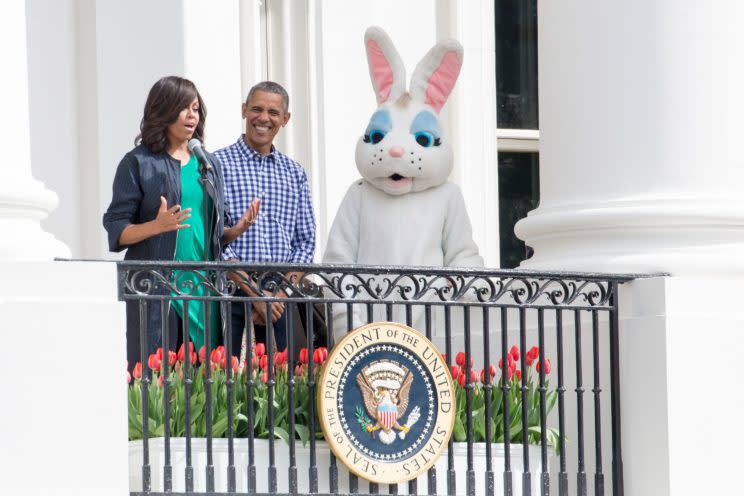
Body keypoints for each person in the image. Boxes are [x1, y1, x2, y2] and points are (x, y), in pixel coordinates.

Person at [103, 76, 257, 372]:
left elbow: (207, 233)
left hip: (205, 290)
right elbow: (115, 226)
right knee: (160, 382)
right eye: (183, 108)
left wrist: (235, 230)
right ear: (163, 111)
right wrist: (156, 226)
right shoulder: (138, 162)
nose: (191, 116)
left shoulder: (208, 165)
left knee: (206, 383)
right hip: (160, 289)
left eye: (196, 109)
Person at [215, 81, 316, 354]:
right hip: (231, 292)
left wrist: (277, 297)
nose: (264, 118)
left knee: (283, 386)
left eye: (273, 112)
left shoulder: (295, 173)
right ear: (244, 110)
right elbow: (216, 240)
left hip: (281, 296)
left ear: (285, 119)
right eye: (257, 109)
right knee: (228, 381)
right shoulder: (217, 165)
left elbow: (305, 242)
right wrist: (254, 294)